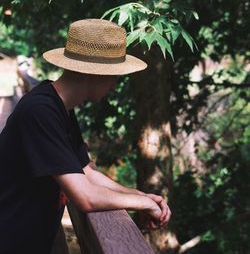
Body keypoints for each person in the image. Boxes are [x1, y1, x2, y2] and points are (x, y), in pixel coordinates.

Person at [0, 19, 171, 254]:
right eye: (114, 75)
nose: (114, 84)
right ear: (95, 73)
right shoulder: (40, 111)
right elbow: (85, 196)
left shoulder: (60, 108)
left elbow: (87, 173)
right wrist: (143, 204)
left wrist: (142, 196)